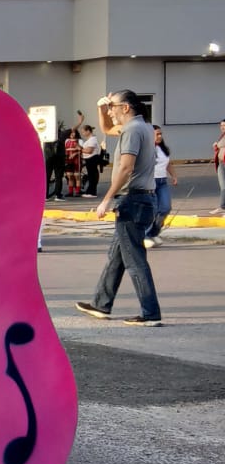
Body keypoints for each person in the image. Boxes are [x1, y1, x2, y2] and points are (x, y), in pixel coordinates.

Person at [75, 91, 161, 327]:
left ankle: (150, 313)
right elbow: (106, 130)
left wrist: (107, 198)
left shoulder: (132, 131)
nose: (110, 110)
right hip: (141, 200)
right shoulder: (141, 126)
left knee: (134, 260)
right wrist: (101, 109)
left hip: (132, 200)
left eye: (112, 106)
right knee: (117, 256)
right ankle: (101, 303)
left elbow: (125, 168)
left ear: (126, 107)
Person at [144, 127, 173, 248]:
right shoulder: (146, 149)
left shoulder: (163, 149)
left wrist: (174, 176)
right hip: (150, 182)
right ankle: (144, 235)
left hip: (162, 182)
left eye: (161, 134)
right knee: (152, 210)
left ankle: (154, 233)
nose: (160, 136)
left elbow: (168, 164)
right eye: (157, 134)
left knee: (165, 208)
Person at [79, 124, 104, 197]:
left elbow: (89, 150)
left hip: (92, 158)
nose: (83, 134)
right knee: (91, 175)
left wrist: (80, 149)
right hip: (89, 159)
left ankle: (92, 192)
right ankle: (90, 190)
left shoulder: (92, 139)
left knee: (92, 175)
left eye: (83, 132)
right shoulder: (90, 140)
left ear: (88, 131)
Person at [213, 117, 225, 214]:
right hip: (221, 163)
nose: (222, 127)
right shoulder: (222, 136)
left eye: (224, 125)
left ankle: (222, 206)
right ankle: (222, 206)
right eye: (221, 125)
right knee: (223, 186)